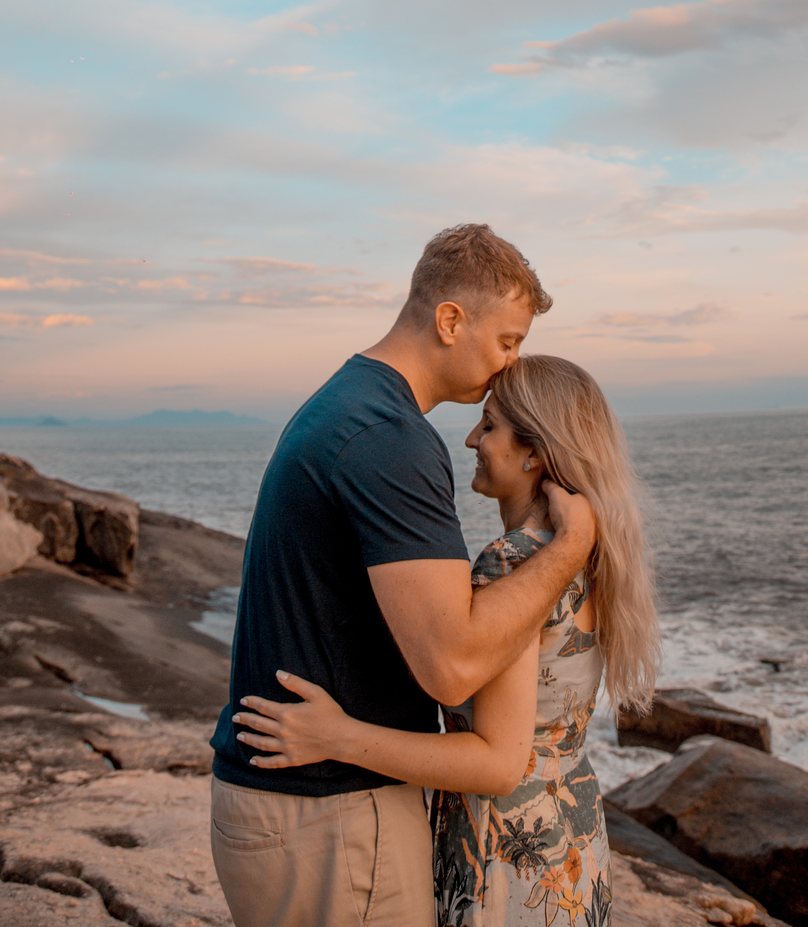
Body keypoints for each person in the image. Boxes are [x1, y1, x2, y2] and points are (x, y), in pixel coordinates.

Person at [210, 226, 598, 927]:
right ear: (450, 320)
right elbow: (452, 666)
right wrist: (571, 548)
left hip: (304, 804)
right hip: (328, 812)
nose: (511, 363)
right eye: (507, 340)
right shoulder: (388, 436)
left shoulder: (349, 404)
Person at [234, 354, 662, 927]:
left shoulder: (513, 568)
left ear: (534, 452)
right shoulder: (588, 559)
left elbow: (494, 765)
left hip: (508, 856)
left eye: (488, 426)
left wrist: (336, 737)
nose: (469, 440)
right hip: (574, 844)